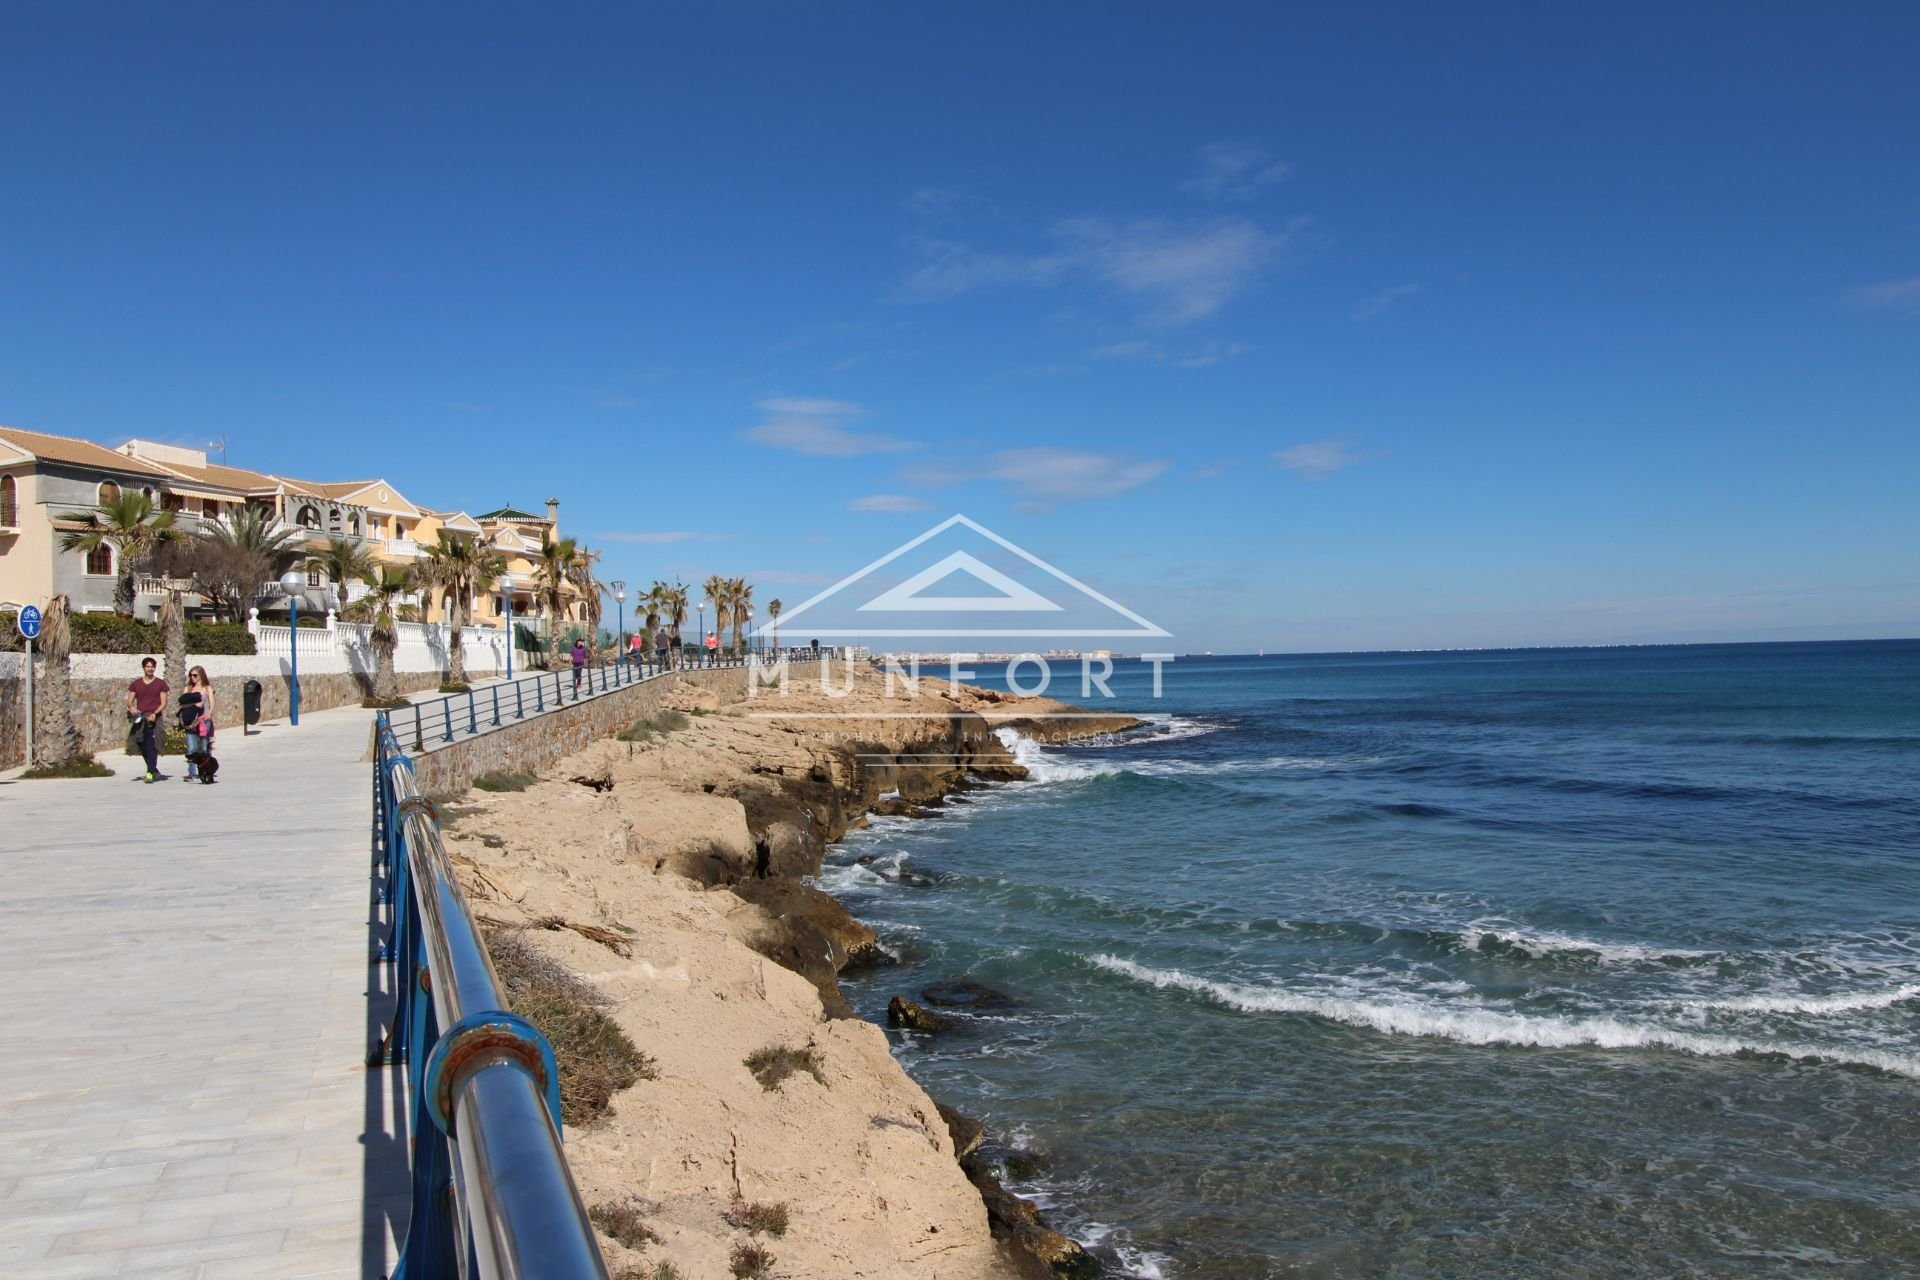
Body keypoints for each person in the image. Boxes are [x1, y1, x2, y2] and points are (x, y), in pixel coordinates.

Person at [126, 657, 170, 783]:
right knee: (140, 743)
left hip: (154, 717)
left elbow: (163, 703)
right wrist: (132, 707)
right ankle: (153, 769)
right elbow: (129, 700)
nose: (150, 669)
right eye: (148, 666)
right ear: (144, 667)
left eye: (152, 666)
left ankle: (150, 772)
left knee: (152, 745)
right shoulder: (136, 684)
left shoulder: (161, 684)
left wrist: (155, 713)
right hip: (140, 717)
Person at [178, 666, 216, 783]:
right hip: (191, 722)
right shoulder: (188, 688)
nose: (192, 678)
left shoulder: (207, 688)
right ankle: (191, 772)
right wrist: (195, 704)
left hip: (204, 721)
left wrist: (209, 713)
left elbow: (212, 703)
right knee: (191, 747)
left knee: (204, 747)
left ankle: (207, 769)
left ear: (201, 676)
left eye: (195, 675)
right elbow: (182, 705)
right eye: (191, 675)